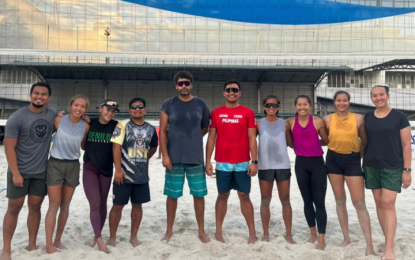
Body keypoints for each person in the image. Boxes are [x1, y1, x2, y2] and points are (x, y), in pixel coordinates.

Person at [1, 82, 56, 260]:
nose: (39, 97)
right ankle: (6, 248)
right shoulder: (17, 117)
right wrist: (16, 173)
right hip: (20, 171)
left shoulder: (52, 114)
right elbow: (9, 148)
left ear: (48, 97)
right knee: (14, 208)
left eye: (43, 94)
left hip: (40, 171)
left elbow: (68, 122)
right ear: (30, 95)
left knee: (35, 206)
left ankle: (31, 244)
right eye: (36, 93)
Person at [159, 71, 210, 243]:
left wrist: (192, 138)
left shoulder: (200, 104)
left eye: (186, 83)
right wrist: (165, 155)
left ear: (191, 85)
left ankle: (201, 231)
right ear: (176, 86)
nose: (184, 86)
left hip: (195, 157)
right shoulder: (168, 104)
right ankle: (169, 230)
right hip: (174, 158)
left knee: (199, 194)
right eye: (180, 83)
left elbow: (205, 128)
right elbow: (163, 132)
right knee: (172, 195)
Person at [206, 80, 258, 244]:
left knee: (244, 196)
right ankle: (218, 231)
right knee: (223, 195)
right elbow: (212, 138)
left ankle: (252, 232)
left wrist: (254, 161)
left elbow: (252, 138)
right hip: (222, 162)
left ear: (240, 93)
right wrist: (207, 161)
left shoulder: (248, 112)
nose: (231, 92)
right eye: (228, 90)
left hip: (243, 162)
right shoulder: (216, 113)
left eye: (235, 90)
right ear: (224, 93)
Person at [363, 85, 412, 260]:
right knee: (379, 204)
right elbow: (363, 141)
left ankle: (389, 249)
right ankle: (387, 241)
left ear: (388, 96)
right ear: (371, 99)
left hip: (393, 166)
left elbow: (407, 145)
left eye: (381, 94)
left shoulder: (399, 117)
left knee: (388, 203)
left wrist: (407, 170)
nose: (378, 98)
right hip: (371, 165)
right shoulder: (367, 117)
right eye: (374, 95)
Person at [323, 91, 374, 255]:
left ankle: (370, 244)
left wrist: (356, 156)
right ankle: (346, 238)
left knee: (359, 203)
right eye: (339, 100)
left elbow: (364, 142)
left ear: (349, 102)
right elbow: (324, 140)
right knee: (340, 200)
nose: (342, 103)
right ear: (334, 102)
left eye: (345, 100)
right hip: (333, 161)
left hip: (352, 161)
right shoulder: (327, 119)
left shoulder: (358, 118)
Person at [107, 97, 158, 247]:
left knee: (137, 205)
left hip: (141, 175)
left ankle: (134, 236)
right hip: (123, 175)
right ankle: (112, 237)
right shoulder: (122, 125)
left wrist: (143, 159)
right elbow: (115, 147)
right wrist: (118, 169)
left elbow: (154, 147)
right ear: (129, 110)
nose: (137, 109)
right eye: (134, 107)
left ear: (145, 110)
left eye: (140, 106)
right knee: (117, 205)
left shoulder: (150, 128)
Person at [45, 95, 90, 254]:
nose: (79, 108)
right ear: (71, 105)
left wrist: (89, 122)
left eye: (82, 106)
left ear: (85, 109)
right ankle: (49, 244)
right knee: (54, 204)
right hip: (55, 163)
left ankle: (58, 240)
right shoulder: (58, 120)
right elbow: (44, 137)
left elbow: (84, 146)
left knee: (65, 205)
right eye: (76, 105)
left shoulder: (85, 126)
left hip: (73, 165)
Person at [286, 95, 329, 250]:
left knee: (319, 202)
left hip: (317, 163)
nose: (302, 107)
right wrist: (301, 146)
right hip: (301, 164)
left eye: (305, 104)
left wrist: (312, 144)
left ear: (310, 106)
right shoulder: (290, 123)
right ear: (295, 106)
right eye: (299, 105)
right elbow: (290, 143)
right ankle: (313, 234)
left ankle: (322, 239)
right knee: (307, 201)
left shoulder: (318, 121)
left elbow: (326, 140)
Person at [256, 95, 295, 244]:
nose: (271, 108)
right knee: (265, 200)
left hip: (282, 165)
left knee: (285, 200)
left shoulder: (285, 124)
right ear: (264, 107)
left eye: (274, 105)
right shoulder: (259, 124)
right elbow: (250, 141)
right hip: (265, 166)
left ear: (279, 107)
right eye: (268, 105)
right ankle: (266, 234)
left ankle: (289, 234)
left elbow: (291, 144)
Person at [83, 99, 119, 253]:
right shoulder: (89, 123)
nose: (109, 113)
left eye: (112, 111)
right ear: (100, 109)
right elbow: (83, 146)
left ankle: (97, 233)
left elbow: (117, 147)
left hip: (106, 169)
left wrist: (118, 168)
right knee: (95, 203)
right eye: (107, 109)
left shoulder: (116, 126)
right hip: (90, 167)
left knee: (103, 202)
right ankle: (99, 239)